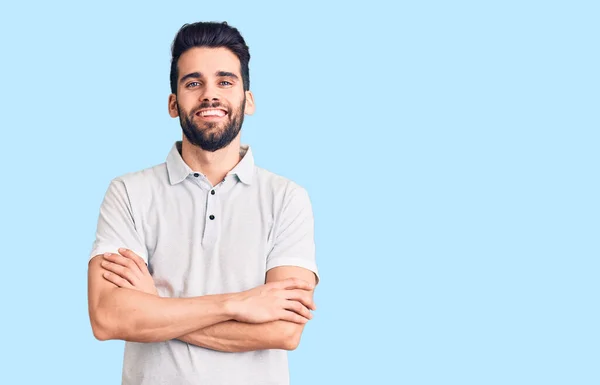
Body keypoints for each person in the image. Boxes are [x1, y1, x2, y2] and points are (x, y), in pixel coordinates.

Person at [87, 21, 319, 385]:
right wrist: (237, 304)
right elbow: (108, 319)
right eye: (193, 83)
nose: (210, 95)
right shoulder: (128, 193)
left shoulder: (287, 199)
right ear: (173, 103)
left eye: (225, 81)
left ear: (249, 99)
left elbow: (284, 332)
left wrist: (156, 307)